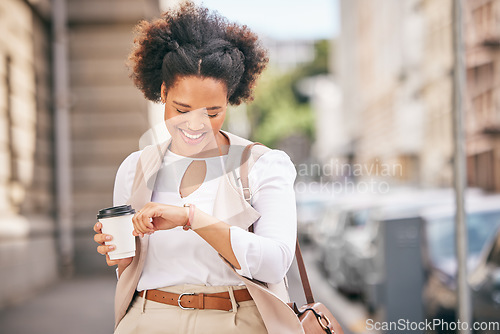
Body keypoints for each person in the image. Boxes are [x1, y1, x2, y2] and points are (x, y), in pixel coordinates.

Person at [93, 2, 297, 333]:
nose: (196, 124)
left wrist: (191, 219)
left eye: (213, 111)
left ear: (230, 100)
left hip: (237, 320)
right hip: (148, 318)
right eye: (182, 108)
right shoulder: (136, 168)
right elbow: (128, 267)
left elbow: (274, 263)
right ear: (162, 93)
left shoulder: (263, 165)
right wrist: (119, 253)